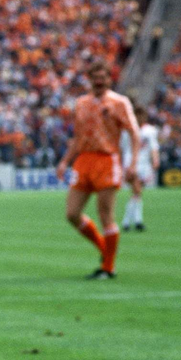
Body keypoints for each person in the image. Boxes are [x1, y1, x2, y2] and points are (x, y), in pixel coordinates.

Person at [55, 60, 140, 280]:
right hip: (84, 160)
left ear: (109, 79)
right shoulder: (81, 103)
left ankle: (108, 268)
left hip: (106, 159)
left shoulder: (119, 102)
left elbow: (133, 132)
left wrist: (132, 163)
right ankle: (105, 249)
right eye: (95, 77)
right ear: (90, 79)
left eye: (103, 77)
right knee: (72, 213)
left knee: (105, 215)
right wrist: (65, 161)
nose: (99, 81)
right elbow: (77, 137)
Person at [121, 106, 160, 231]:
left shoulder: (150, 131)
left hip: (144, 166)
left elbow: (154, 147)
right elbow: (122, 149)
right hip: (131, 164)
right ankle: (137, 221)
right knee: (137, 190)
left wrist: (155, 159)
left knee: (136, 193)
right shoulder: (127, 130)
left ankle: (127, 222)